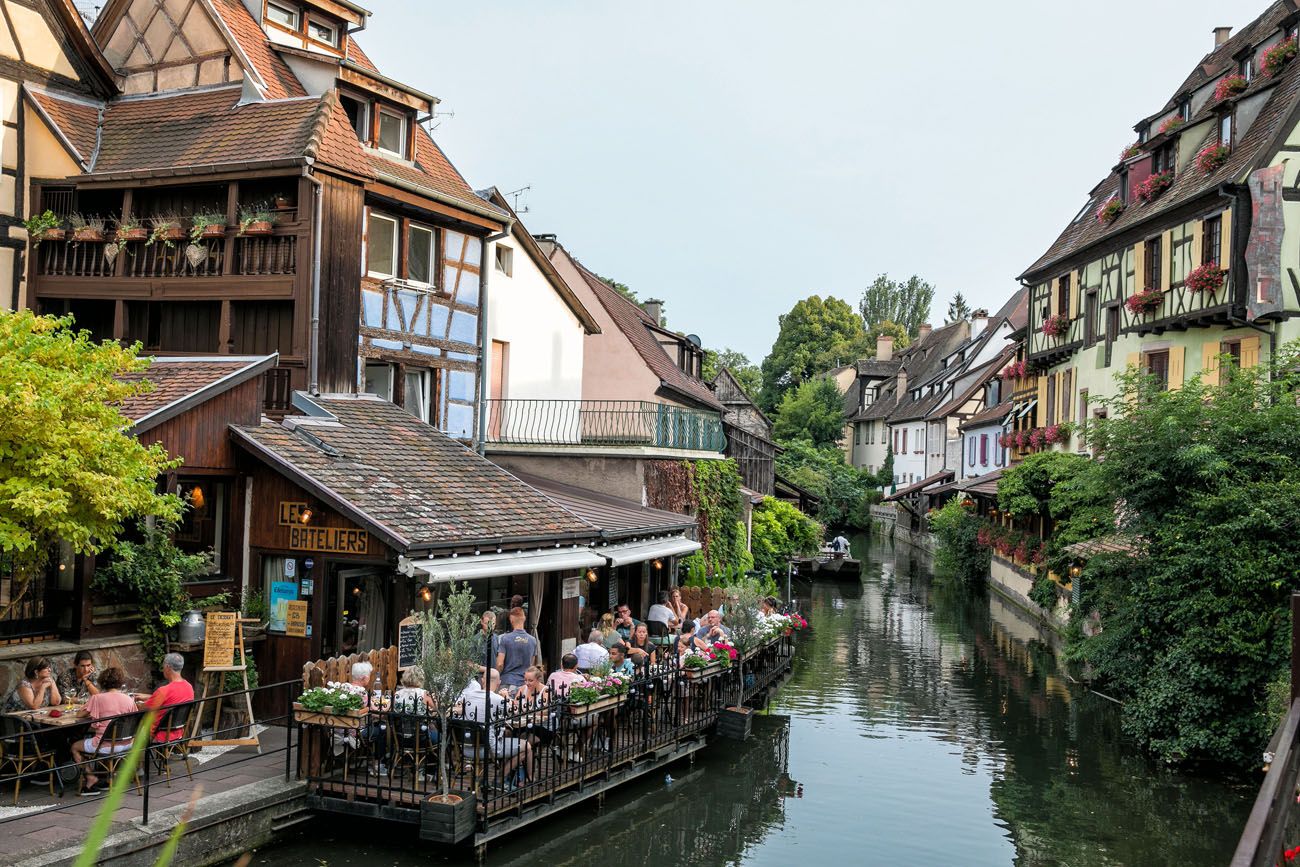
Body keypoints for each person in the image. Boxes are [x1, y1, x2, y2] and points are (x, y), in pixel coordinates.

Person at [458, 669, 532, 787]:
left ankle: (488, 779)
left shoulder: (467, 696)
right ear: (499, 682)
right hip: (489, 748)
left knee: (506, 736)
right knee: (526, 746)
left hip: (466, 747)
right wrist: (506, 697)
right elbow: (516, 714)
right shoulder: (498, 699)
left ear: (482, 680)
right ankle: (501, 778)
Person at [71, 666, 136, 793]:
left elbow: (79, 714)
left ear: (102, 682)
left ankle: (91, 778)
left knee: (74, 747)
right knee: (106, 739)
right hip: (126, 743)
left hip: (105, 745)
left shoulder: (97, 698)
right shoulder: (129, 699)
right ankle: (108, 778)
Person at [139, 653, 194, 743]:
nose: (163, 669)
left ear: (168, 667)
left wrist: (133, 702)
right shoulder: (189, 687)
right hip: (178, 731)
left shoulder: (163, 691)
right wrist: (148, 697)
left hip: (160, 734)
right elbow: (171, 699)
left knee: (137, 724)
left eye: (163, 666)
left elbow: (143, 707)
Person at [494, 607, 539, 692]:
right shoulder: (532, 640)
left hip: (507, 682)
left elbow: (500, 664)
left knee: (506, 705)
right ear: (524, 618)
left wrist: (496, 677)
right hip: (524, 684)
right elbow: (531, 664)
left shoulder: (505, 639)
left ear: (511, 620)